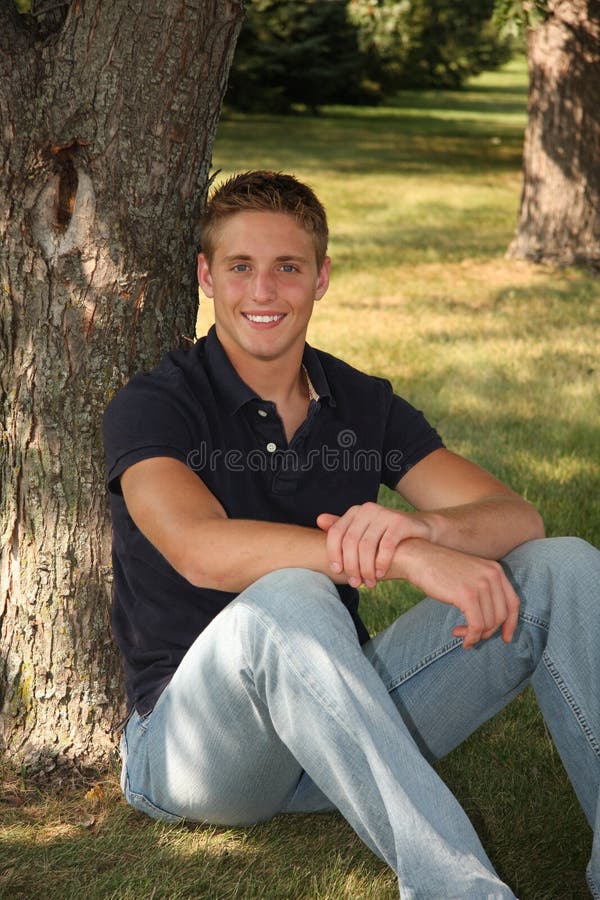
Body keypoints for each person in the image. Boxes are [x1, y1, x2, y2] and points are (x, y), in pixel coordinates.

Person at [102, 170, 600, 899]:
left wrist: (423, 522)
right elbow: (199, 549)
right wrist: (407, 555)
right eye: (240, 267)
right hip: (192, 751)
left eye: (288, 268)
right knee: (294, 595)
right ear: (206, 276)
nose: (264, 292)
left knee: (565, 566)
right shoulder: (155, 403)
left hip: (336, 727)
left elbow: (515, 517)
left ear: (322, 278)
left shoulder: (359, 402)